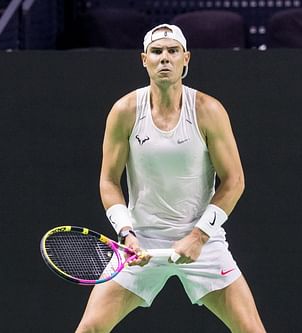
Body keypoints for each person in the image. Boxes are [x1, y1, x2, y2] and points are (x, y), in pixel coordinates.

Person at [75, 24, 266, 333]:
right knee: (90, 329)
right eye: (157, 51)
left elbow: (234, 181)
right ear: (144, 60)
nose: (165, 58)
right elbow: (109, 181)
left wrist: (199, 236)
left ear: (186, 59)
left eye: (173, 51)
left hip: (202, 240)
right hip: (141, 242)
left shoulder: (208, 110)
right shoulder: (124, 111)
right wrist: (126, 233)